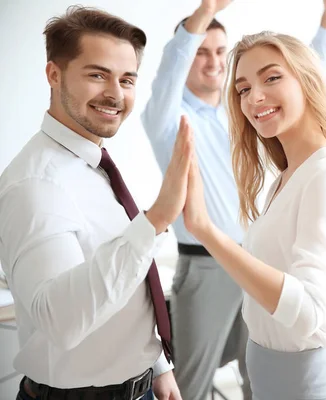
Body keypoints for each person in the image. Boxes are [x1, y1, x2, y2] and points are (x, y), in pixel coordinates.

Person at [141, 0, 326, 398]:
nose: (214, 61)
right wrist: (201, 15)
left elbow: (296, 81)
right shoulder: (171, 120)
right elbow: (167, 77)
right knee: (191, 385)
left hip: (259, 262)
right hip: (207, 269)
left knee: (257, 377)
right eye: (201, 51)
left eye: (220, 51)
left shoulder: (242, 115)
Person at [0, 6, 190, 400]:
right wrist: (155, 220)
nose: (115, 94)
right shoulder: (36, 184)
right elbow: (62, 320)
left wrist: (156, 366)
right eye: (97, 74)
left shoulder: (95, 164)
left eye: (127, 79)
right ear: (54, 74)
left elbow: (123, 284)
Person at [174, 29, 326, 400]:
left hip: (311, 386)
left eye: (271, 77)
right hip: (274, 382)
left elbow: (309, 311)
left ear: (308, 81)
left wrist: (204, 229)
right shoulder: (288, 177)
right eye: (243, 89)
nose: (254, 97)